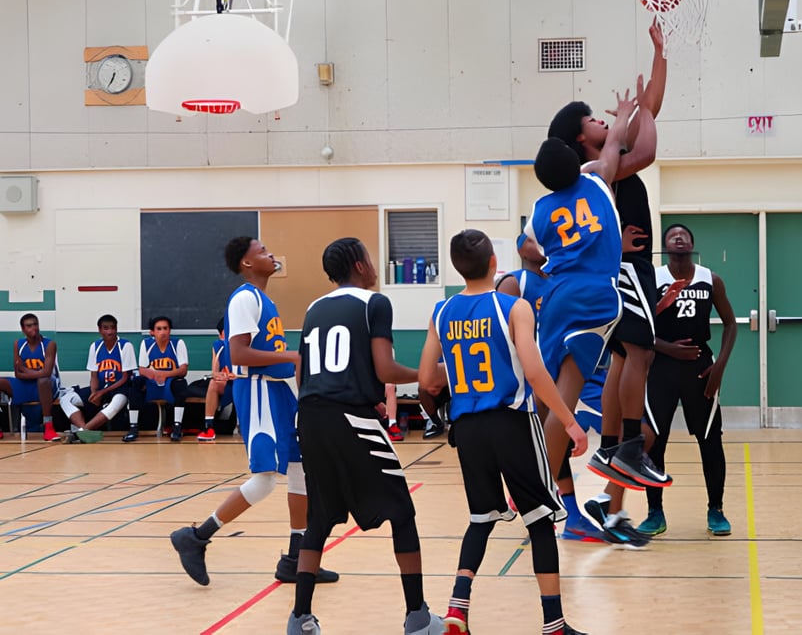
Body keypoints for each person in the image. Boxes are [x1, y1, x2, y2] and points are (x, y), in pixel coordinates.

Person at [418, 229, 588, 635]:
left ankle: (457, 610)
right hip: (511, 422)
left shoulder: (441, 312)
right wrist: (568, 419)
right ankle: (554, 624)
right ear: (495, 263)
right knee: (541, 519)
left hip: (468, 428)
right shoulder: (514, 307)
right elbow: (533, 370)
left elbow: (426, 379)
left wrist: (460, 376)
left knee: (481, 518)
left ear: (458, 268)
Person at [548, 23, 675, 539]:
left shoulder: (606, 161)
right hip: (621, 273)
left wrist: (659, 52)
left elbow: (649, 123)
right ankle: (616, 452)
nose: (606, 121)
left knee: (628, 357)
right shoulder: (595, 168)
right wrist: (629, 119)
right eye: (596, 120)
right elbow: (644, 147)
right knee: (637, 355)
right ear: (582, 137)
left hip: (622, 271)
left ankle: (612, 473)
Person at [289, 237, 441, 635]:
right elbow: (386, 369)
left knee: (319, 519)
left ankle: (299, 618)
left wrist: (358, 394)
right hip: (348, 417)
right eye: (370, 258)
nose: (374, 264)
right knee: (402, 512)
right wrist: (427, 375)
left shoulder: (313, 307)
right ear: (359, 265)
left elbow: (305, 374)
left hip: (310, 416)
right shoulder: (375, 303)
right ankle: (418, 617)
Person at [170, 237, 338, 588]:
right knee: (263, 480)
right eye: (262, 251)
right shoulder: (244, 298)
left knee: (300, 471)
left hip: (279, 392)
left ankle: (296, 557)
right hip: (259, 391)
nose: (271, 254)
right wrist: (291, 357)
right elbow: (239, 355)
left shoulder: (264, 300)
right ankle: (197, 536)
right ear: (247, 263)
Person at [526, 85, 644, 546]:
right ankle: (538, 492)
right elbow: (614, 145)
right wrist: (628, 113)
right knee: (567, 397)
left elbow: (531, 249)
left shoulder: (539, 211)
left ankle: (527, 475)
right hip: (595, 296)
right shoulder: (595, 183)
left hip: (554, 296)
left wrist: (554, 255)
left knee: (546, 395)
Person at [495, 231, 603, 542]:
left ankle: (569, 515)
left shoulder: (563, 280)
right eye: (532, 240)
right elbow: (503, 337)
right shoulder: (516, 283)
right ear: (520, 247)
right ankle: (539, 501)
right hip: (532, 379)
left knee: (555, 447)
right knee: (545, 446)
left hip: (565, 371)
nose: (541, 245)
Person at [638, 223, 737, 537]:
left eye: (684, 234)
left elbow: (731, 325)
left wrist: (719, 367)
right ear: (666, 246)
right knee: (654, 441)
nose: (678, 237)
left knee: (710, 440)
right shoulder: (653, 279)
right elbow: (639, 329)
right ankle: (655, 512)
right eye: (672, 234)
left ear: (692, 244)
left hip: (700, 369)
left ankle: (716, 509)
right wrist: (668, 349)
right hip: (661, 369)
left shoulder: (711, 280)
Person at [59, 314, 136, 443]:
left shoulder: (125, 346)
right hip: (100, 388)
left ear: (116, 329)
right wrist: (94, 392)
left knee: (115, 404)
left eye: (112, 328)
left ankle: (80, 433)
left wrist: (102, 393)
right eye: (106, 328)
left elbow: (125, 377)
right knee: (66, 399)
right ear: (100, 330)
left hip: (120, 390)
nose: (110, 331)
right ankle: (85, 431)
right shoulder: (95, 346)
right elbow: (94, 375)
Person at [0, 313, 62, 442]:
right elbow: (17, 374)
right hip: (26, 383)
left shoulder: (50, 345)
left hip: (48, 386)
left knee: (43, 380)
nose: (33, 328)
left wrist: (25, 369)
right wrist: (25, 372)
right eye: (29, 326)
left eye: (35, 324)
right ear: (23, 329)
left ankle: (48, 426)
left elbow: (47, 373)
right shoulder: (18, 344)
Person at [134, 315, 190, 442]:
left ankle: (177, 427)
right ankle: (133, 427)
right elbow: (142, 369)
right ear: (152, 332)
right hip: (152, 381)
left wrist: (164, 375)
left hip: (171, 380)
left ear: (170, 330)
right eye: (159, 329)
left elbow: (183, 370)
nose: (163, 332)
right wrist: (155, 376)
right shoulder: (146, 344)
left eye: (165, 328)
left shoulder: (178, 343)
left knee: (181, 384)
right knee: (135, 383)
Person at [198, 318, 236, 442]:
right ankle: (209, 427)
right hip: (228, 383)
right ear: (221, 334)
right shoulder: (219, 345)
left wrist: (237, 375)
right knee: (214, 383)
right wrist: (221, 376)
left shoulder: (245, 343)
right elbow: (215, 372)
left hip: (244, 382)